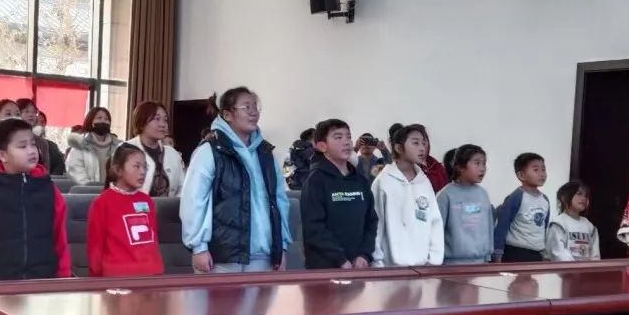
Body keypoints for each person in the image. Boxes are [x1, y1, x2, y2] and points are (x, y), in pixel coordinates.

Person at [180, 87, 292, 273]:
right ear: (227, 115)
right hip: (223, 257)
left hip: (264, 256)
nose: (254, 112)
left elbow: (280, 200)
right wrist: (198, 247)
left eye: (255, 106)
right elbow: (194, 202)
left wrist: (282, 246)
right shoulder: (210, 151)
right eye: (246, 107)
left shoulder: (265, 153)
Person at [0, 118, 72, 280]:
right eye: (22, 146)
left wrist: (64, 276)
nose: (32, 151)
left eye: (33, 144)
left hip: (43, 279)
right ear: (2, 155)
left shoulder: (49, 189)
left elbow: (60, 237)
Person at [301, 119, 377, 270]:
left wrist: (364, 255)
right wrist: (340, 260)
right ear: (322, 146)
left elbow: (371, 221)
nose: (346, 142)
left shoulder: (360, 181)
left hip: (358, 266)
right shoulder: (316, 180)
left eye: (348, 137)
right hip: (326, 267)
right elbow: (313, 228)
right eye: (338, 137)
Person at [371, 124, 444, 266]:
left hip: (423, 267)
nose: (422, 148)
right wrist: (377, 263)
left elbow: (435, 222)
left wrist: (434, 260)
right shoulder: (384, 182)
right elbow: (376, 224)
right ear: (399, 148)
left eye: (424, 143)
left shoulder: (424, 182)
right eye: (415, 143)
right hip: (390, 268)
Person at [87, 145, 165, 277]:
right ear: (118, 170)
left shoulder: (147, 201)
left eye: (145, 167)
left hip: (151, 274)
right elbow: (96, 246)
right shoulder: (102, 203)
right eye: (136, 166)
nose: (143, 172)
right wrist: (96, 280)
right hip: (118, 277)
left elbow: (153, 239)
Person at [437, 144, 494, 265]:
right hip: (452, 264)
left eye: (484, 163)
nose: (482, 168)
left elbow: (489, 227)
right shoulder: (445, 195)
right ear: (460, 167)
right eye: (477, 163)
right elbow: (436, 230)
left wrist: (488, 256)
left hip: (480, 262)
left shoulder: (483, 194)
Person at [494, 153, 550, 263]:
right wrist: (497, 253)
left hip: (537, 253)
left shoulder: (545, 199)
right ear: (521, 175)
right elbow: (502, 225)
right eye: (536, 170)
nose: (542, 174)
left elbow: (544, 227)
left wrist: (544, 252)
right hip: (516, 252)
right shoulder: (516, 197)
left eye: (543, 169)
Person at [125, 100, 186, 197]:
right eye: (157, 119)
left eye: (165, 120)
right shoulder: (124, 150)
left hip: (168, 206)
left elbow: (182, 188)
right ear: (142, 122)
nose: (163, 124)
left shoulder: (172, 154)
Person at [66, 107, 122, 185]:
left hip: (113, 190)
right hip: (88, 190)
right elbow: (74, 169)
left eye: (106, 119)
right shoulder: (79, 144)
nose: (103, 121)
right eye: (99, 118)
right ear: (91, 122)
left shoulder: (120, 146)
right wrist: (90, 187)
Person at [547, 181, 600, 261]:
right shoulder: (558, 223)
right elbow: (558, 253)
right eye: (579, 194)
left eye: (586, 196)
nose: (584, 198)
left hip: (586, 268)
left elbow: (595, 254)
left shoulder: (589, 225)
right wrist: (575, 267)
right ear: (563, 197)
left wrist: (592, 267)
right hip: (566, 268)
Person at [17, 98, 65, 175]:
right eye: (26, 111)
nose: (31, 115)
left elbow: (46, 171)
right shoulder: (8, 139)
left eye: (34, 112)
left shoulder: (42, 143)